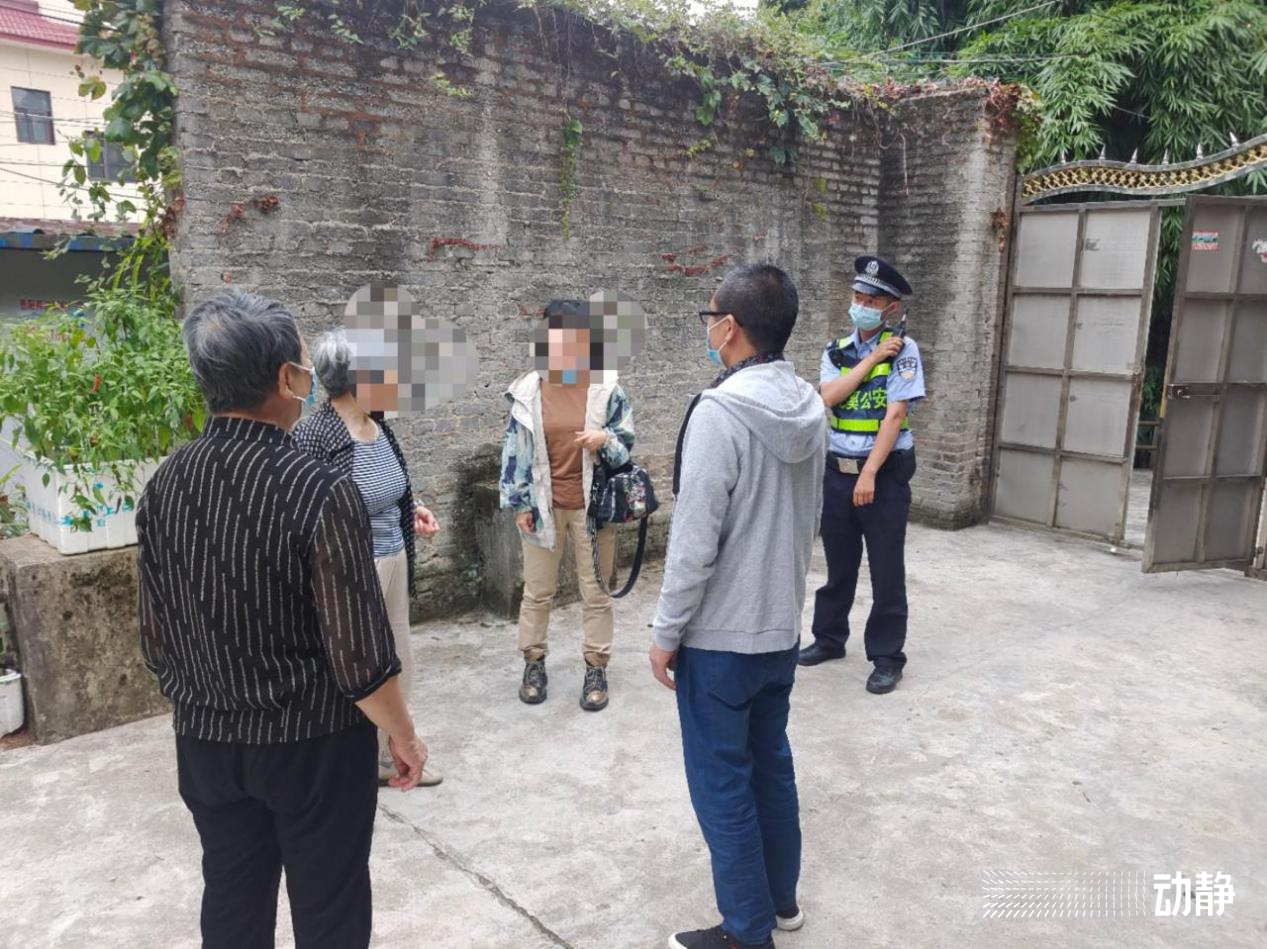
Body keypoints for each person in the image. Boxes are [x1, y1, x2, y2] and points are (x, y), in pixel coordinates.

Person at [136, 289, 428, 949]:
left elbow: (155, 639)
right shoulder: (318, 488)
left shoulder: (165, 485)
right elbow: (360, 659)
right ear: (284, 378)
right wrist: (404, 736)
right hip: (313, 744)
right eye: (301, 364)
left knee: (232, 902)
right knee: (330, 909)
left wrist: (211, 690)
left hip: (206, 741)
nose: (307, 375)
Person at [650, 264, 827, 949]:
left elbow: (693, 543)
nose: (707, 328)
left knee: (722, 784)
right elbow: (808, 517)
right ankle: (780, 903)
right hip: (779, 629)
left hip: (720, 639)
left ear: (729, 327)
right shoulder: (809, 405)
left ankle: (746, 932)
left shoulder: (718, 413)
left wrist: (665, 631)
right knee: (770, 767)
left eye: (710, 317)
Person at [293, 329, 443, 788]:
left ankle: (386, 751)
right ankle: (352, 760)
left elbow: (389, 489)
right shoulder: (315, 436)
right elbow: (306, 514)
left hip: (394, 559)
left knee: (398, 661)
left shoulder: (378, 428)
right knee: (360, 667)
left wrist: (411, 509)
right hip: (352, 571)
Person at [500, 299, 635, 711]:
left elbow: (625, 445)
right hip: (543, 508)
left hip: (593, 510)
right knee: (538, 591)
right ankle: (534, 662)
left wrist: (604, 440)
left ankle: (596, 667)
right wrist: (520, 503)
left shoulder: (605, 389)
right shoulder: (527, 390)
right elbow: (514, 452)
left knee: (596, 592)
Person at [800, 255, 924, 695]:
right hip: (838, 472)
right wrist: (870, 360)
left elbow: (895, 416)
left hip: (883, 476)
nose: (862, 305)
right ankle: (829, 638)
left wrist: (870, 473)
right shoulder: (836, 350)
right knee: (839, 564)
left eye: (871, 300)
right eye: (858, 296)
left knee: (886, 568)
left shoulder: (905, 351)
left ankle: (887, 657)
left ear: (891, 307)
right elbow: (828, 396)